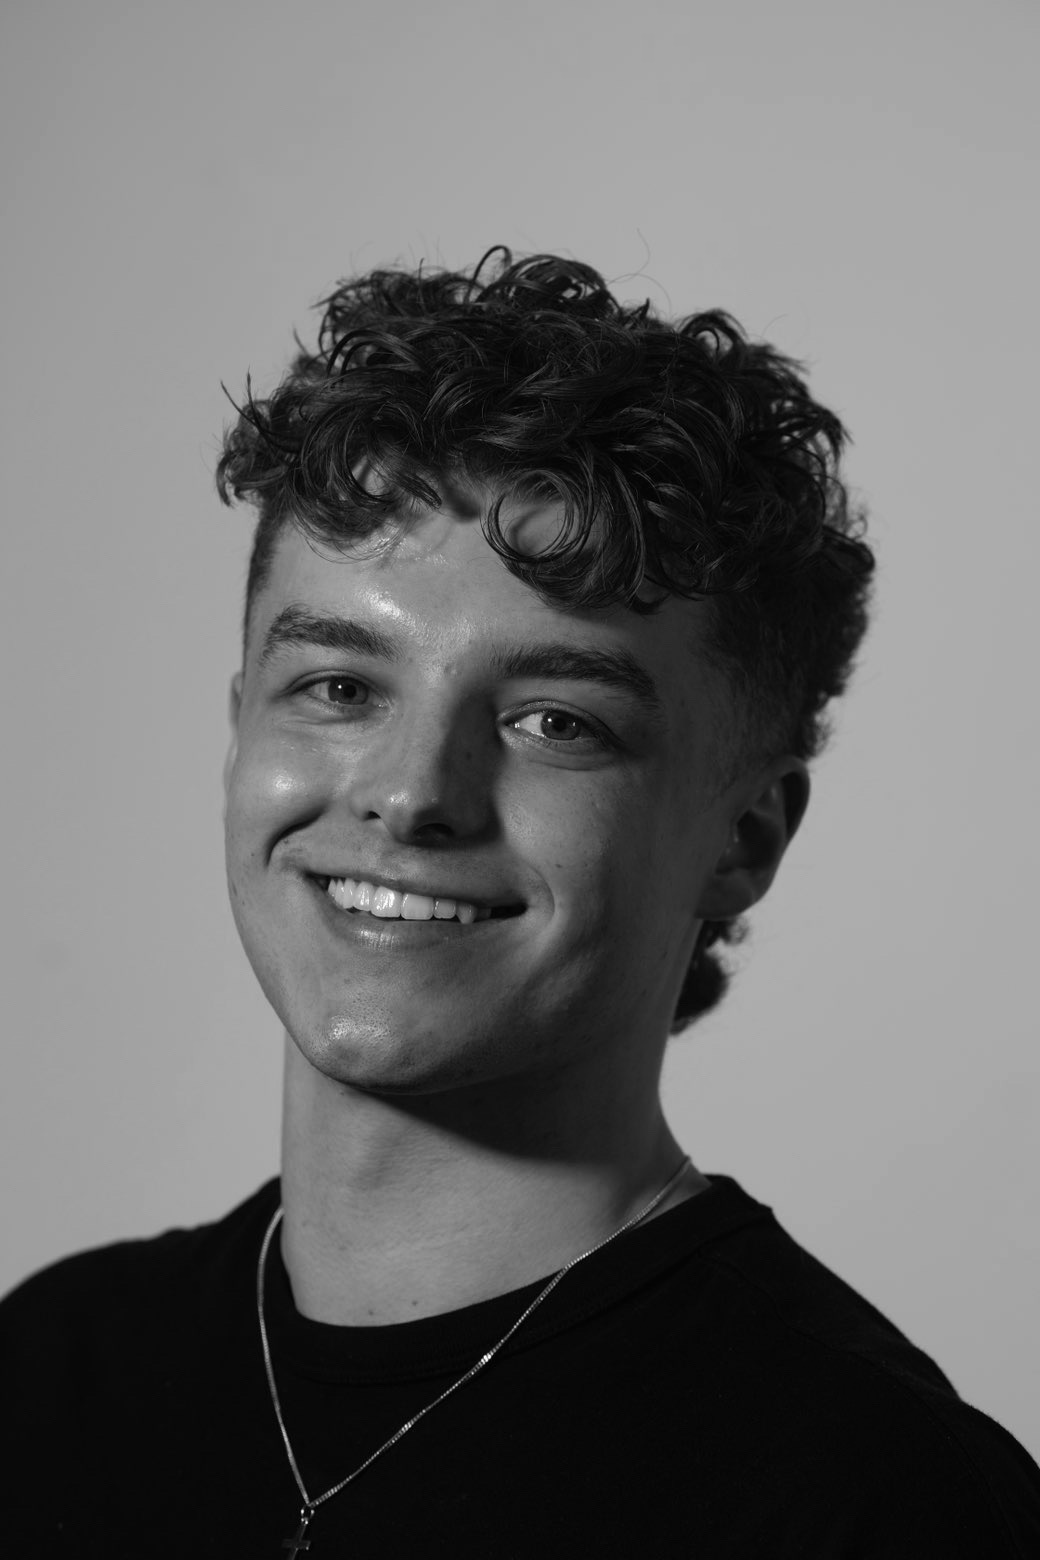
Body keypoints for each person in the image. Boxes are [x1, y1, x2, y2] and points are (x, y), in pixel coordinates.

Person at [3, 247, 1038, 1558]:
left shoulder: (881, 1501)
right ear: (240, 727)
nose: (411, 794)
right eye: (338, 688)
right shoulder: (51, 1371)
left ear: (746, 838)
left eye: (556, 721)